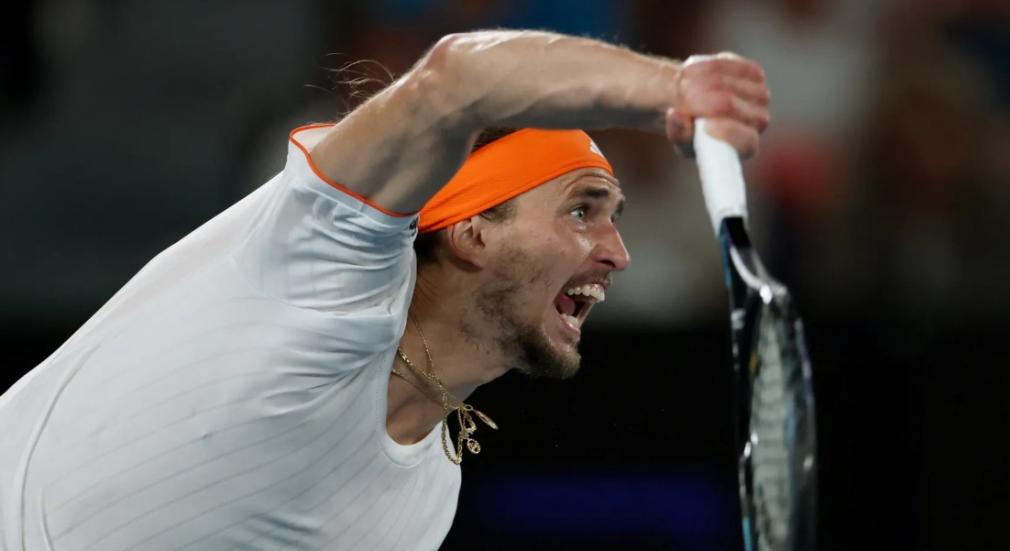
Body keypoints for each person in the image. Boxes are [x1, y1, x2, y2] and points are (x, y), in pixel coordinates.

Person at [0, 30, 769, 550]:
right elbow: (455, 80)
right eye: (582, 209)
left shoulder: (425, 502)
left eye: (614, 218)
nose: (618, 254)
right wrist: (672, 87)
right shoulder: (326, 267)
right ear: (472, 229)